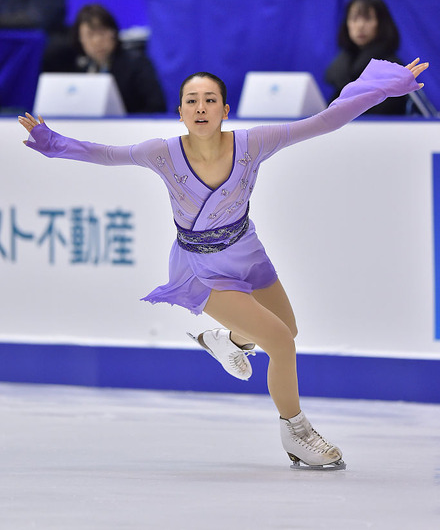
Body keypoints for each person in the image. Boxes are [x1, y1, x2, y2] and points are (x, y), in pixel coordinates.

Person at [18, 56, 428, 469]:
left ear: (224, 110)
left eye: (209, 100)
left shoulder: (254, 143)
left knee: (289, 330)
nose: (200, 108)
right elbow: (105, 154)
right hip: (201, 269)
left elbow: (325, 121)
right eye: (191, 101)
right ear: (179, 111)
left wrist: (383, 83)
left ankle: (227, 341)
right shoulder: (161, 153)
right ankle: (297, 433)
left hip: (248, 253)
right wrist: (52, 142)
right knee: (281, 342)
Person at [43, 4, 166, 114]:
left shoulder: (136, 63)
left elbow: (157, 107)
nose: (97, 41)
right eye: (90, 35)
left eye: (102, 33)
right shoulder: (76, 67)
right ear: (80, 39)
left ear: (114, 33)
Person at [325, 0, 414, 115]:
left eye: (368, 19)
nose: (360, 26)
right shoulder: (340, 68)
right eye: (354, 19)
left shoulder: (392, 69)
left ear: (381, 23)